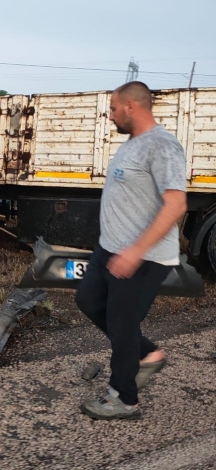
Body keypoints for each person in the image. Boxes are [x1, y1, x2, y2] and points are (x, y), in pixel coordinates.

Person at [76, 81, 187, 420]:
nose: (109, 116)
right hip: (110, 248)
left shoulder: (163, 146)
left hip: (143, 256)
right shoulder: (132, 143)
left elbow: (176, 203)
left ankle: (124, 398)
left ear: (131, 107)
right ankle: (148, 354)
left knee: (121, 325)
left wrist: (136, 251)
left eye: (112, 108)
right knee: (88, 301)